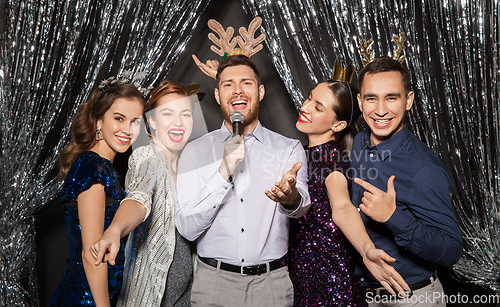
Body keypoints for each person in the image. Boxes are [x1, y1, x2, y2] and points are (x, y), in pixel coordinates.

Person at [175, 54, 311, 306]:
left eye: (246, 83)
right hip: (213, 285)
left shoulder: (287, 148)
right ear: (217, 95)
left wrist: (291, 198)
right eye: (228, 84)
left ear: (260, 92)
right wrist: (222, 173)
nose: (237, 90)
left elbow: (302, 206)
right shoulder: (195, 151)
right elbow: (187, 229)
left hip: (272, 285)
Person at [351, 56, 463, 306]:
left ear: (409, 100)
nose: (380, 110)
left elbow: (452, 250)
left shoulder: (423, 168)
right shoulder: (359, 143)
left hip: (412, 297)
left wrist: (393, 217)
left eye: (391, 97)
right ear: (360, 102)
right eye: (371, 98)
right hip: (364, 294)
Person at [290, 79, 410, 306]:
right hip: (303, 274)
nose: (305, 108)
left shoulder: (330, 159)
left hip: (329, 280)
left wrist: (367, 251)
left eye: (318, 107)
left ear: (337, 126)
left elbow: (343, 207)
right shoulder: (303, 153)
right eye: (309, 98)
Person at [90, 80, 196, 306]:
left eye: (185, 114)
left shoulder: (191, 162)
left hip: (188, 295)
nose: (178, 122)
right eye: (168, 114)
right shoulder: (146, 158)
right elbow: (138, 198)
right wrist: (115, 230)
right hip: (152, 298)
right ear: (153, 122)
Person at [48, 80, 147, 307]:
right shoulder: (94, 168)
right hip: (88, 298)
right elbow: (92, 254)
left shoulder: (104, 166)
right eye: (119, 118)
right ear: (99, 121)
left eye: (135, 121)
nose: (128, 130)